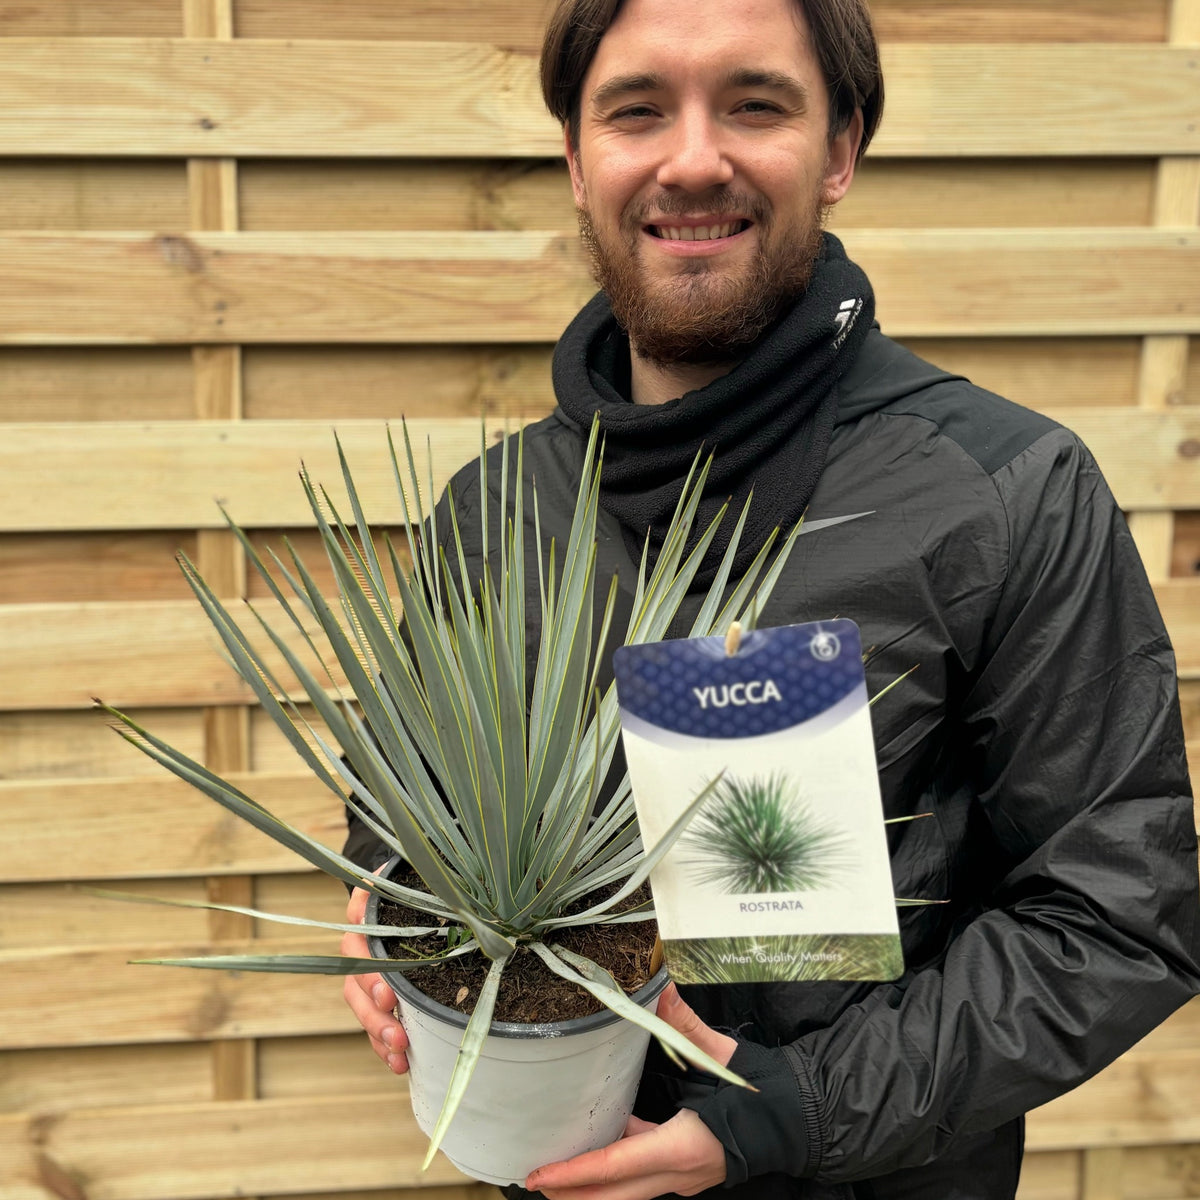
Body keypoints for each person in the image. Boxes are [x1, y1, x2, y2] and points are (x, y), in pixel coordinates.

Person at [340, 0, 1200, 1197]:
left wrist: (790, 1116)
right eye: (637, 110)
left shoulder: (1006, 494)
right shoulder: (496, 513)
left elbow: (1117, 912)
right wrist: (383, 926)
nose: (693, 158)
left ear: (840, 150)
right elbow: (405, 826)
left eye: (755, 103)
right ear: (578, 161)